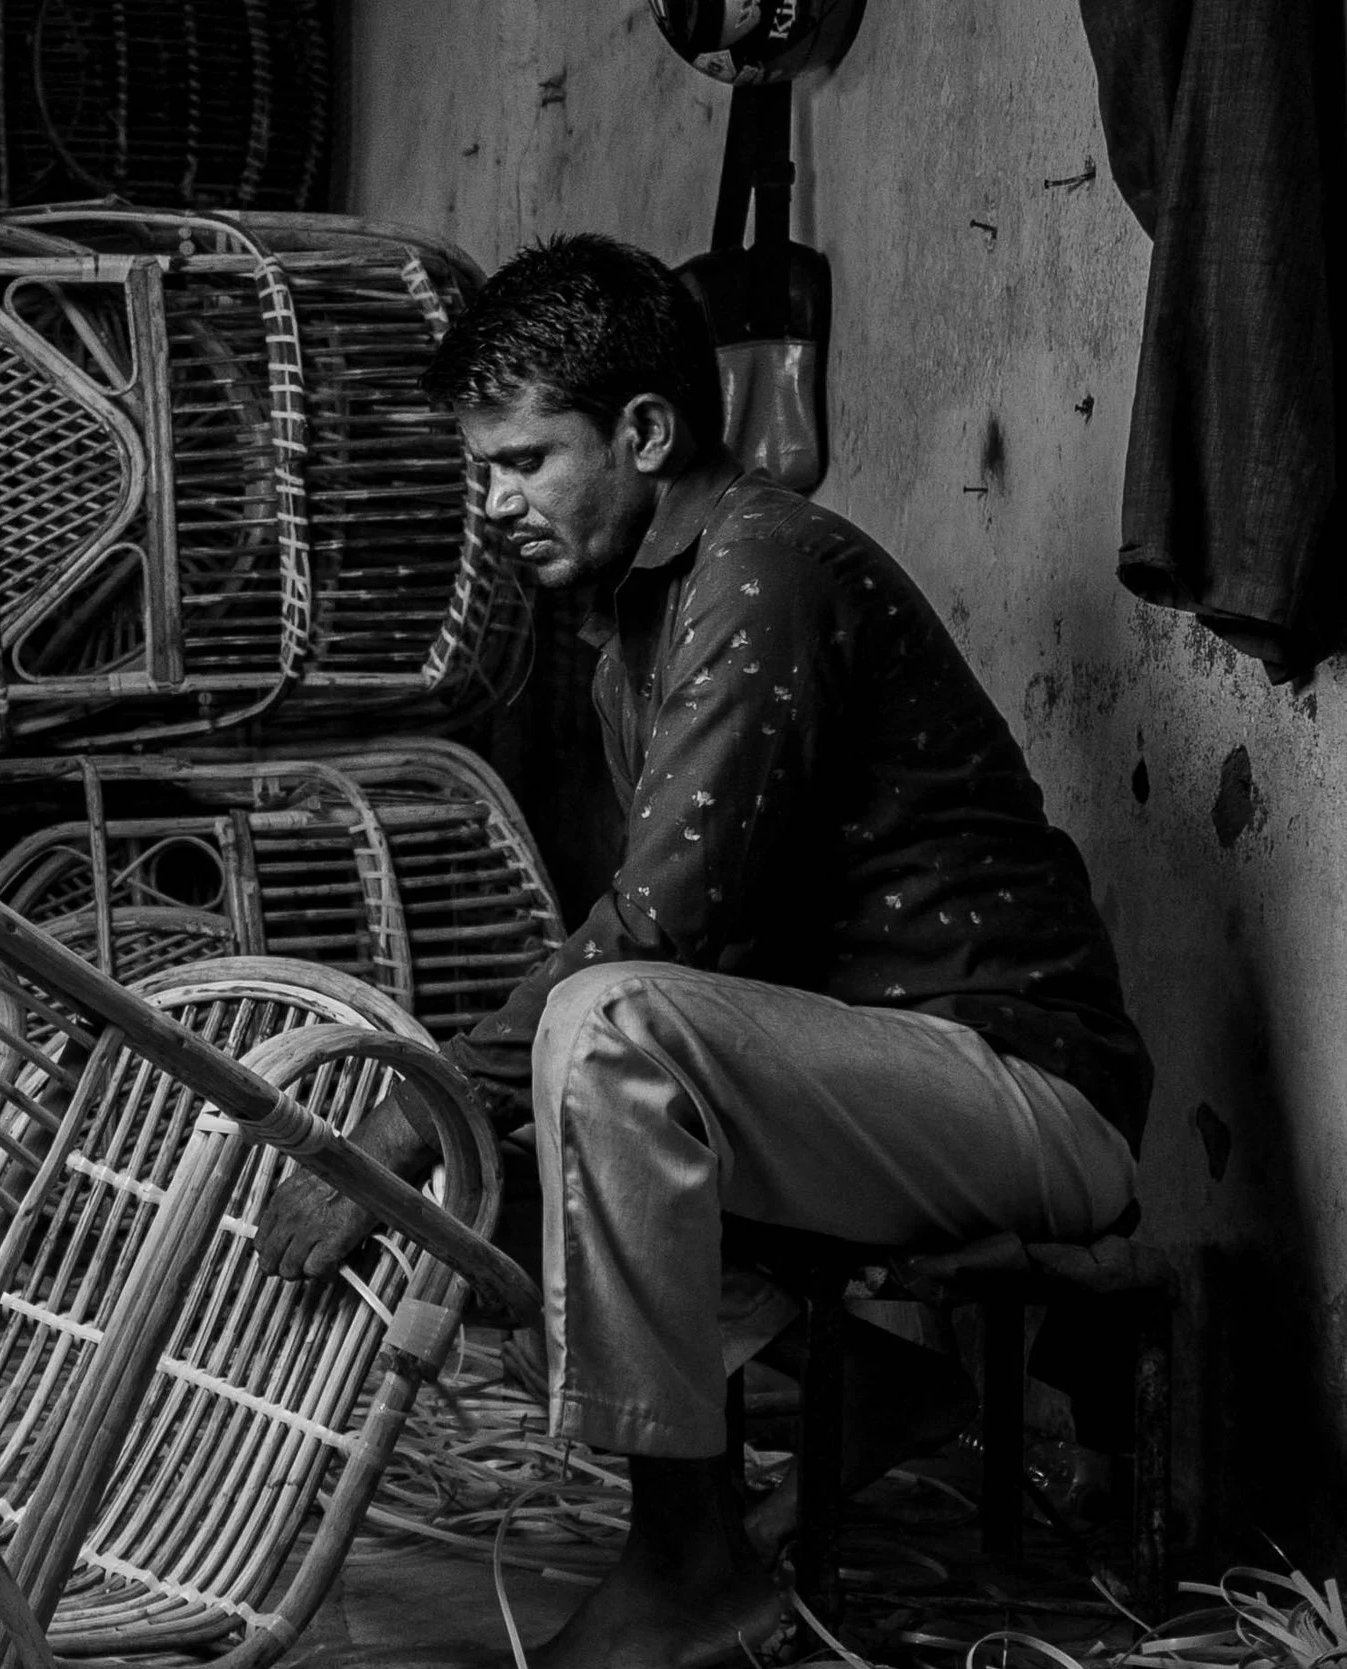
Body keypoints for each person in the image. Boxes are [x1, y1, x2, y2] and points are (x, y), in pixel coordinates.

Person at [253, 234, 1150, 1669]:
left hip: (1024, 1091)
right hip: (863, 1098)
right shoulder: (636, 630)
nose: (495, 504)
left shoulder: (762, 567)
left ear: (648, 433)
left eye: (525, 460)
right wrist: (453, 1135)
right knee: (529, 1125)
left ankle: (689, 1562)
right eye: (485, 467)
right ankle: (871, 1394)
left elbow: (663, 931)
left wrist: (404, 1122)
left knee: (599, 1033)